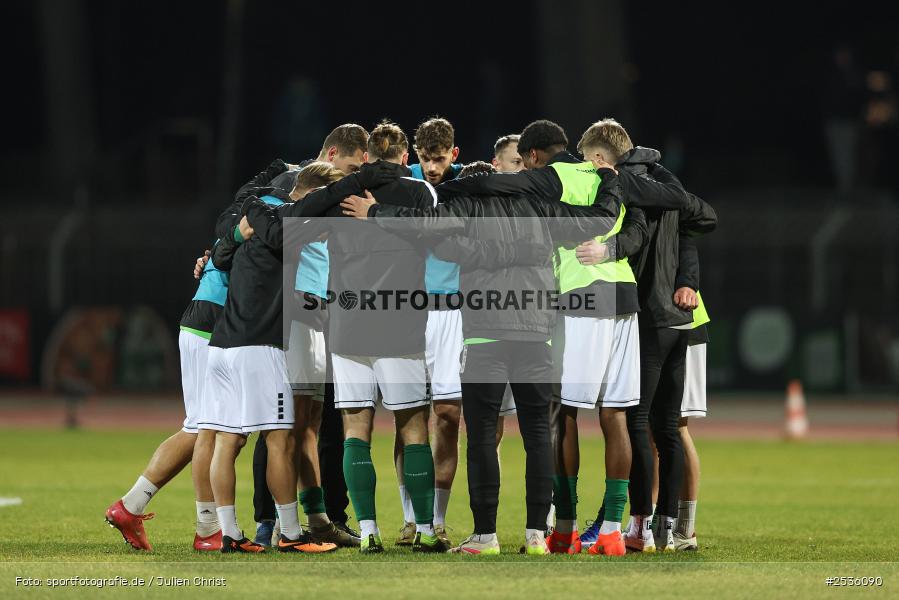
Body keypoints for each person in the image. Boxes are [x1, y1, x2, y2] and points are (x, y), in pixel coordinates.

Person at [340, 155, 623, 555]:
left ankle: (485, 537)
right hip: (535, 336)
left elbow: (424, 227)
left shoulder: (464, 204)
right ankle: (536, 536)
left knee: (482, 440)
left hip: (485, 338)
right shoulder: (538, 207)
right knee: (539, 436)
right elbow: (598, 219)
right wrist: (609, 180)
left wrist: (375, 212)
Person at [245, 121, 449, 554]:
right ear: (406, 157)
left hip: (348, 324)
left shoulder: (340, 192)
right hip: (400, 324)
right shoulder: (418, 192)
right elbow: (440, 231)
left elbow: (293, 226)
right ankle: (427, 530)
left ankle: (369, 531)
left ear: (369, 155)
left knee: (357, 430)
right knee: (413, 427)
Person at [103, 159, 296, 552]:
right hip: (219, 323)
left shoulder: (248, 206)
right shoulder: (273, 213)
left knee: (209, 429)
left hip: (208, 318)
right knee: (207, 429)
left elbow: (227, 238)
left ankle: (136, 505)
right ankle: (207, 529)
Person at [576, 119, 717, 553]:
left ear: (602, 159)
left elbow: (635, 235)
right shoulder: (666, 183)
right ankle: (673, 528)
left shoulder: (628, 186)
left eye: (588, 163)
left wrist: (608, 249)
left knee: (637, 421)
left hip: (653, 317)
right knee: (670, 430)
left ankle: (642, 524)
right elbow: (700, 223)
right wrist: (688, 279)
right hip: (682, 318)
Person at [202, 161, 352, 554]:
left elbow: (220, 254)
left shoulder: (257, 218)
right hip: (260, 348)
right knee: (282, 439)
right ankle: (290, 533)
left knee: (228, 441)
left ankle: (230, 534)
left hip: (222, 346)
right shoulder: (288, 226)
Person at [248, 124, 369, 546]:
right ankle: (277, 524)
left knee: (311, 423)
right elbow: (248, 217)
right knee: (287, 425)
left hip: (321, 316)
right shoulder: (289, 197)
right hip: (296, 317)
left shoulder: (325, 210)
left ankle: (316, 517)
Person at [394, 117, 464, 548]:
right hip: (405, 310)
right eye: (426, 159)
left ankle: (436, 519)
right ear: (414, 155)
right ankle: (408, 518)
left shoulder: (469, 185)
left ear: (453, 154)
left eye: (440, 159)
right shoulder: (403, 183)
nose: (433, 167)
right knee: (408, 417)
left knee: (449, 416)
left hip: (453, 313)